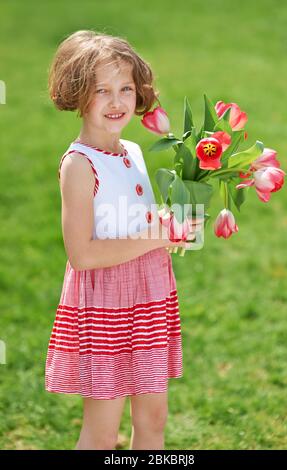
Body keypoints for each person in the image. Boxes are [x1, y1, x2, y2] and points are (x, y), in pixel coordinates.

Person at [44, 30, 199, 450]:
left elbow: (137, 224)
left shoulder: (131, 149)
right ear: (77, 94)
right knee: (102, 432)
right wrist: (154, 235)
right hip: (107, 307)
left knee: (153, 419)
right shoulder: (79, 165)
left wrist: (171, 225)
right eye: (102, 91)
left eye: (126, 89)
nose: (117, 103)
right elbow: (83, 255)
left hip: (148, 298)